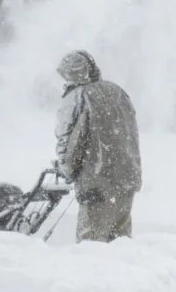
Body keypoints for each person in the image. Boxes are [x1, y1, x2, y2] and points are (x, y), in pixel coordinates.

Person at [54, 50, 142, 243]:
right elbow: (131, 134)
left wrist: (67, 168)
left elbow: (71, 141)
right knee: (121, 241)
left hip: (96, 182)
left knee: (91, 245)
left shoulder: (78, 97)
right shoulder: (118, 92)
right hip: (127, 179)